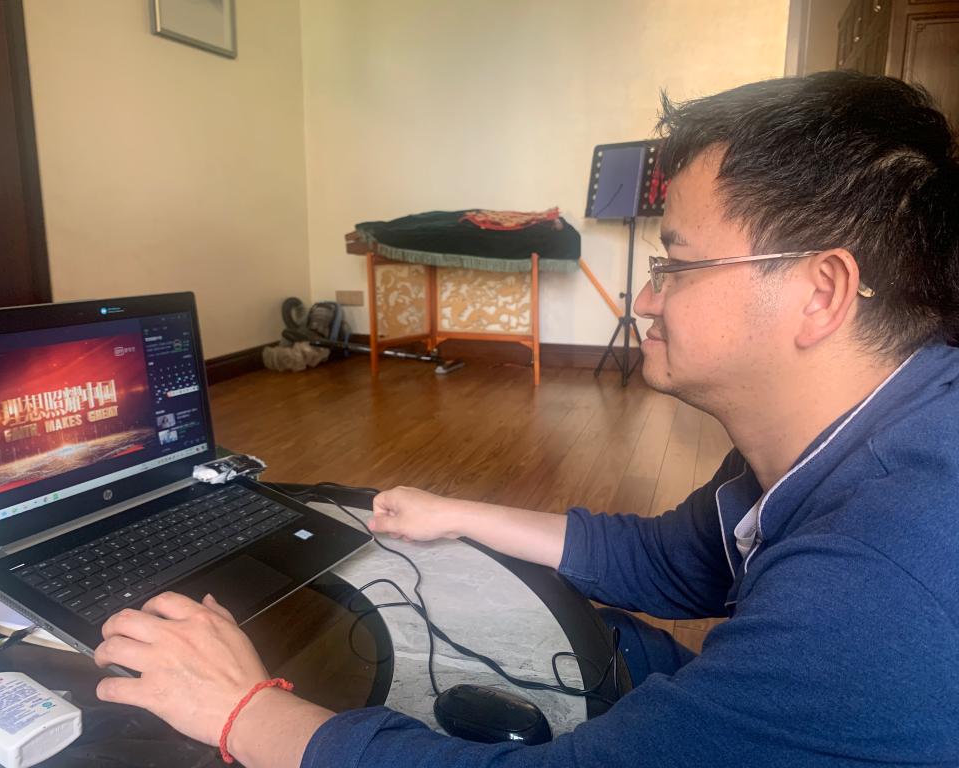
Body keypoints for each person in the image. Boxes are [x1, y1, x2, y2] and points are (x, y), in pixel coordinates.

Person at [93, 71, 959, 766]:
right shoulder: (851, 430)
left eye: (676, 265)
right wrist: (456, 514)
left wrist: (242, 712)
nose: (647, 298)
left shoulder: (883, 576)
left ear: (821, 292)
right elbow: (672, 562)